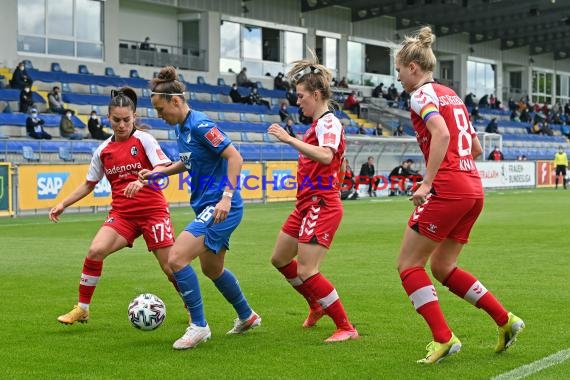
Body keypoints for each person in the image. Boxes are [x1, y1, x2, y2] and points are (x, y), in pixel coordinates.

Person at [395, 26, 524, 364]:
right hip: (472, 188)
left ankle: (443, 338)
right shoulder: (451, 95)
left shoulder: (421, 94)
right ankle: (506, 320)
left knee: (408, 264)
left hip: (449, 189)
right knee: (443, 265)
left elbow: (439, 134)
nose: (398, 78)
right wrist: (456, 169)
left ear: (413, 66)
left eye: (398, 70)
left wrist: (428, 183)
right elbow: (476, 147)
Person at [142, 66, 261, 350]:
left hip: (222, 207)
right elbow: (189, 161)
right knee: (212, 269)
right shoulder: (183, 129)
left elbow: (235, 157)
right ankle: (247, 316)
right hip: (207, 207)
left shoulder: (200, 125)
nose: (160, 116)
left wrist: (226, 196)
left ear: (175, 100)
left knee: (176, 258)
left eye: (161, 109)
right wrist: (160, 173)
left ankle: (199, 326)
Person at [50, 87, 179, 326]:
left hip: (153, 212)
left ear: (134, 117)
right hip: (123, 216)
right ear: (108, 118)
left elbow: (163, 167)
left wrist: (143, 180)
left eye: (127, 120)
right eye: (117, 120)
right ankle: (82, 308)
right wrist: (63, 204)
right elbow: (89, 184)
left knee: (171, 268)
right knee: (95, 251)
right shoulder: (103, 151)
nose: (121, 125)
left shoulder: (144, 140)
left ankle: (192, 309)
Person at [267, 54, 359, 343]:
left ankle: (346, 327)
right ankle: (316, 304)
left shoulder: (328, 123)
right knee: (280, 258)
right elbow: (339, 163)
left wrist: (289, 139)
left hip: (321, 204)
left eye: (301, 95)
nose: (298, 101)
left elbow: (328, 155)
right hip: (306, 204)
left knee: (307, 269)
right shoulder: (316, 126)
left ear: (316, 95)